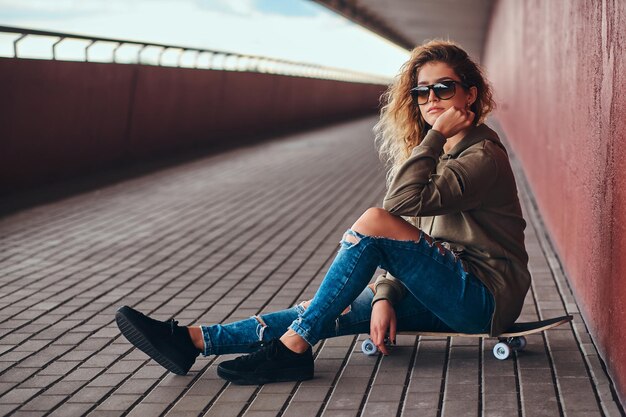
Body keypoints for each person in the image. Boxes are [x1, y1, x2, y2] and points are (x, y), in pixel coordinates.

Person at [115, 39, 531, 385]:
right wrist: (386, 294)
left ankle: (294, 349)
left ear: (470, 95)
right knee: (325, 309)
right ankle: (191, 341)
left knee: (373, 222)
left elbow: (398, 207)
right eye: (422, 92)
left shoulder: (482, 155)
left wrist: (436, 135)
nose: (430, 100)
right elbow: (411, 235)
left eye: (443, 88)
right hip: (446, 287)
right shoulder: (441, 154)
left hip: (482, 299)